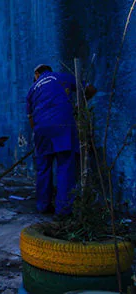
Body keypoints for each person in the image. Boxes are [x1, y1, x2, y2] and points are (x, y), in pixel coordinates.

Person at [26, 64, 96, 217]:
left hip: (41, 130)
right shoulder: (63, 77)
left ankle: (43, 205)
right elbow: (91, 90)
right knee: (65, 166)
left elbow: (31, 120)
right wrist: (78, 105)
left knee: (43, 168)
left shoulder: (32, 90)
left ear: (37, 74)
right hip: (63, 126)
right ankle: (63, 211)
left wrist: (40, 135)